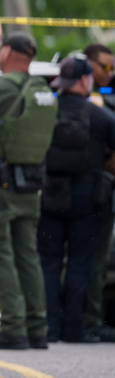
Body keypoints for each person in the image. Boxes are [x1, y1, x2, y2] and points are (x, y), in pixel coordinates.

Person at [0, 20, 55, 350]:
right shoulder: (43, 90)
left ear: (6, 53)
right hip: (30, 187)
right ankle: (36, 326)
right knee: (27, 256)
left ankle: (12, 327)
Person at [38, 54, 115, 343]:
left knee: (49, 261)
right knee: (81, 263)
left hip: (49, 194)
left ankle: (50, 326)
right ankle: (74, 328)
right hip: (88, 197)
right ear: (85, 80)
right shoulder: (100, 115)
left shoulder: (45, 112)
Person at [82, 43, 115, 342]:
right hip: (93, 191)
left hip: (98, 191)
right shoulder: (89, 101)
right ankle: (88, 319)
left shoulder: (106, 96)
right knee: (92, 259)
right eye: (104, 66)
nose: (110, 73)